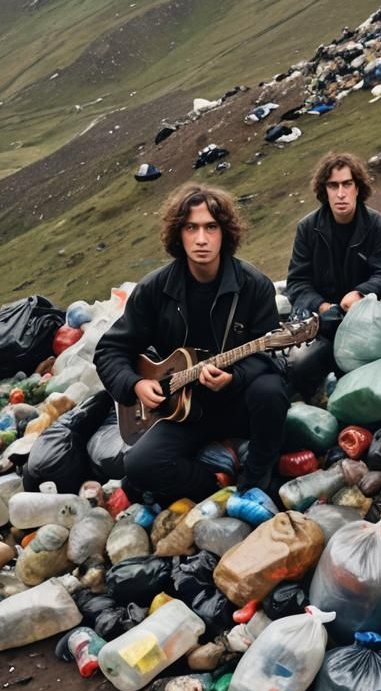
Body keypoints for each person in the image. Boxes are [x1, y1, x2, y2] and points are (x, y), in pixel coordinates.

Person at [95, 184, 289, 502]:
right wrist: (134, 386)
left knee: (270, 390)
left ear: (225, 232)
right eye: (191, 228)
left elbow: (273, 358)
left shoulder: (253, 286)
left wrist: (234, 377)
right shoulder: (155, 290)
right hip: (181, 412)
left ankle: (254, 482)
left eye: (211, 227)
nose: (201, 239)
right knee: (140, 466)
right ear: (178, 234)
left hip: (237, 402)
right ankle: (214, 485)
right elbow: (110, 350)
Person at [285, 151, 381, 397]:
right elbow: (297, 282)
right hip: (322, 326)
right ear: (324, 190)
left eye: (347, 184)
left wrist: (361, 294)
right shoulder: (308, 228)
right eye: (333, 185)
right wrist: (322, 306)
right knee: (299, 365)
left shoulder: (375, 223)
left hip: (366, 323)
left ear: (358, 188)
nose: (341, 192)